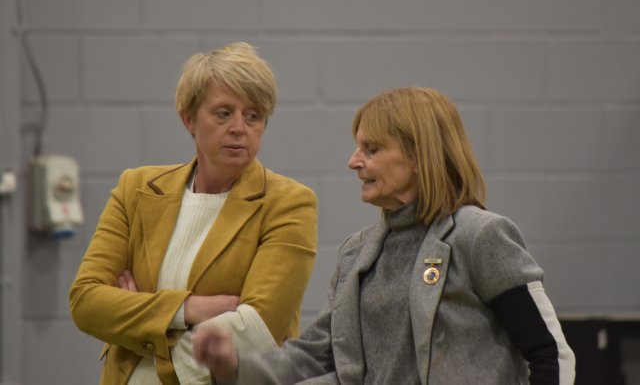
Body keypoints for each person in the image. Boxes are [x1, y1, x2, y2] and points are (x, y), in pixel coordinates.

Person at [192, 87, 576, 385]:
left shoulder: (480, 235)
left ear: (419, 156)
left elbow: (550, 353)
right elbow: (316, 356)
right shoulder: (355, 253)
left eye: (371, 149)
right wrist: (235, 365)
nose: (353, 161)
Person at [69, 42, 318, 385]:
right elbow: (86, 302)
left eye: (253, 116)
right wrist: (186, 310)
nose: (239, 127)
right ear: (188, 118)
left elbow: (256, 331)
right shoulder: (136, 189)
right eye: (223, 113)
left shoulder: (288, 203)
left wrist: (139, 315)